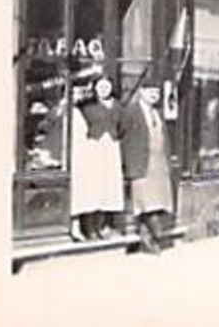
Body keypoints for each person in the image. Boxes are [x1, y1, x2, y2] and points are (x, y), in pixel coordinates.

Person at [69, 73, 124, 242]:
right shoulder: (87, 107)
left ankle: (103, 225)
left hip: (112, 149)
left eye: (106, 86)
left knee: (108, 187)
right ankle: (90, 228)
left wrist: (115, 138)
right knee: (93, 186)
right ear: (94, 88)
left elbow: (123, 128)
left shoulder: (118, 106)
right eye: (100, 86)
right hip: (93, 150)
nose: (103, 90)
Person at [120, 85, 175, 254]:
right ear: (141, 92)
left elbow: (165, 138)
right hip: (140, 163)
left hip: (158, 163)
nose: (154, 95)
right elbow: (122, 136)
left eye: (156, 92)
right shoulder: (131, 111)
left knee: (158, 201)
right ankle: (156, 235)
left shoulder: (157, 113)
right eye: (150, 91)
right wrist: (126, 162)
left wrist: (169, 159)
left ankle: (146, 237)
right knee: (145, 201)